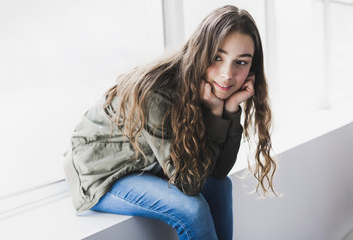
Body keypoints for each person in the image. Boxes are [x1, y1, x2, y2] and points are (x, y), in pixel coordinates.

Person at [63, 5, 276, 240]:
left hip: (148, 161)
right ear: (201, 51)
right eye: (217, 57)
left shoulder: (213, 89)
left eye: (241, 63)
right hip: (103, 171)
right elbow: (189, 185)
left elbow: (219, 171)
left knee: (221, 186)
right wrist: (215, 113)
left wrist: (231, 109)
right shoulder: (158, 93)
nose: (227, 74)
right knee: (192, 211)